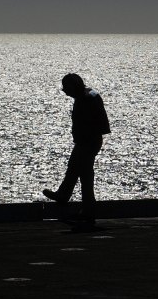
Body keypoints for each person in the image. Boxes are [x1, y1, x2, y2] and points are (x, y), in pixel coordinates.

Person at [43, 73, 110, 226]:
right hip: (88, 141)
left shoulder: (84, 100)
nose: (65, 91)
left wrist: (83, 137)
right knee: (74, 168)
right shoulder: (89, 95)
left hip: (87, 141)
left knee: (85, 176)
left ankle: (87, 210)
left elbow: (87, 123)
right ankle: (63, 194)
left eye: (66, 87)